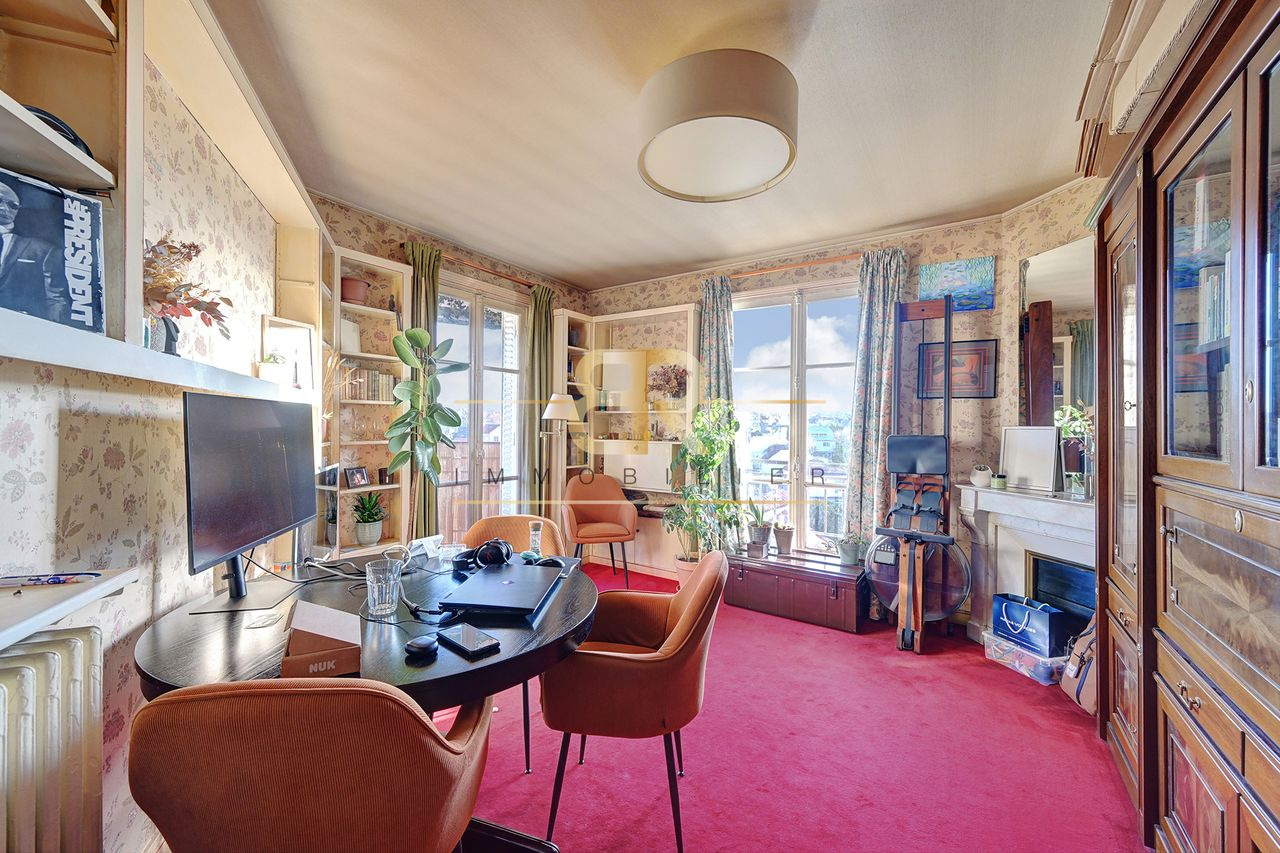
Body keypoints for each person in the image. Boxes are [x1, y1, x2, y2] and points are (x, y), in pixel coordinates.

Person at [0, 180, 64, 323]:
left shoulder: (43, 250)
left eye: (13, 205)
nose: (5, 208)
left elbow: (56, 299)